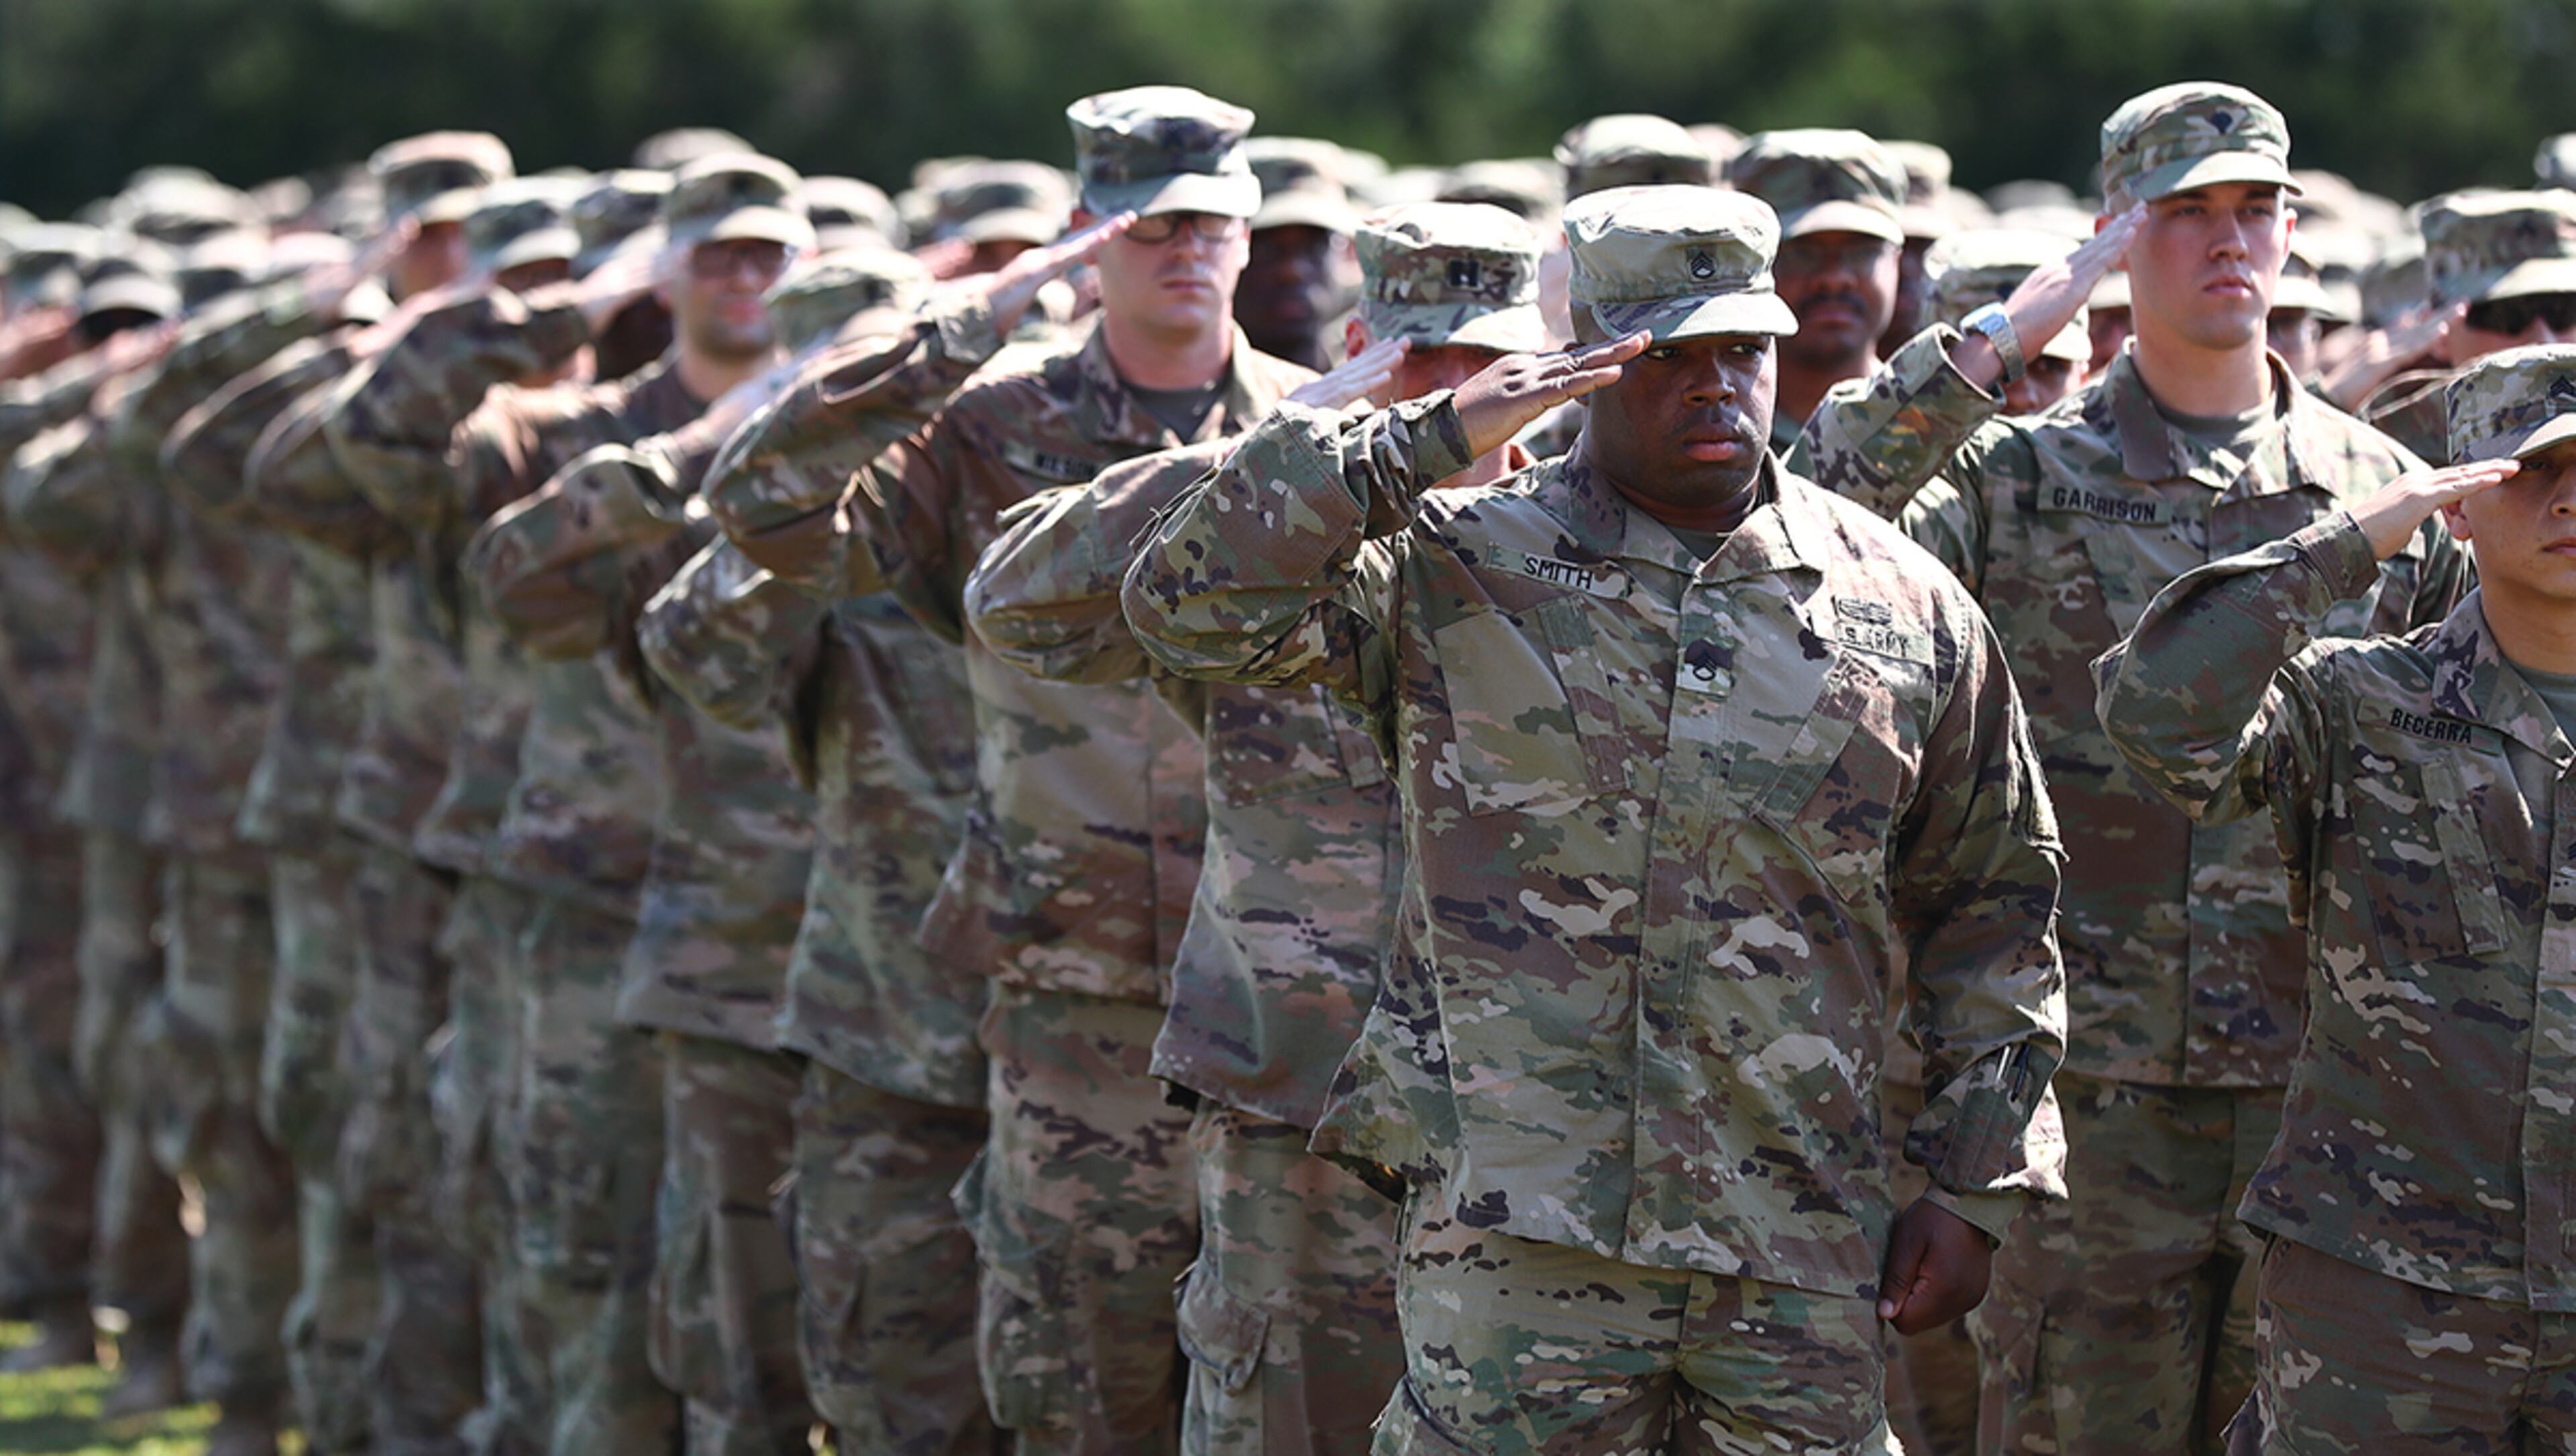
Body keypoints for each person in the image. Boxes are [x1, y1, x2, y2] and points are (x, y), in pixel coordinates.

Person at [1124, 183, 2068, 1455]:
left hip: (1788, 1224)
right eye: (1666, 354)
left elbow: (1996, 898)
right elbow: (1189, 608)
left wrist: (1974, 1178)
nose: (1714, 385)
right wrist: (1419, 439)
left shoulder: (1902, 602)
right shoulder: (1456, 563)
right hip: (1514, 1231)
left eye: (1742, 349)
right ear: (1585, 364)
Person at [1795, 81, 2471, 1455]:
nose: (2230, 242)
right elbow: (1810, 518)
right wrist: (1999, 340)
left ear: (2292, 231)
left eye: (2255, 210)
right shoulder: (2013, 475)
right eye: (2185, 213)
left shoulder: (2384, 494)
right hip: (2080, 1095)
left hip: (2316, 1096)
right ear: (2117, 236)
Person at [710, 84, 1310, 1453]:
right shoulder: (985, 424)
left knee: (1272, 1392)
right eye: (1150, 222)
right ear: (1085, 233)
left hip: (1276, 998)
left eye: (1212, 221)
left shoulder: (1305, 431)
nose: (1186, 249)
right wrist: (954, 330)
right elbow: (768, 509)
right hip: (1064, 994)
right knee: (1071, 1390)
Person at [965, 199, 1548, 1455]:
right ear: (1357, 350)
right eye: (1422, 364)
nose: (1462, 398)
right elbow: (1017, 598)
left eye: (1490, 364)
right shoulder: (1267, 552)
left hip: (1524, 1140)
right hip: (1301, 1124)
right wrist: (1292, 438)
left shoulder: (1582, 558)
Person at [2094, 344, 2575, 1454]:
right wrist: (2352, 540)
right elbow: (2155, 715)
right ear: (2458, 505)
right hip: (2384, 1297)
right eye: (2532, 471)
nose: (2568, 499)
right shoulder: (2362, 700)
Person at [1726, 128, 1911, 450]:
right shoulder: (1717, 434)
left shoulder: (1935, 423)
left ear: (1896, 260)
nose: (1834, 278)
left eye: (1862, 253)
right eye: (1801, 254)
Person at [2355, 191, 2576, 460]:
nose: (2544, 339)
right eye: (2507, 317)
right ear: (2438, 331)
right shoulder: (2383, 455)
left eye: (2566, 311)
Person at [1236, 138, 1361, 370]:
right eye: (1268, 251)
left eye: (1315, 247)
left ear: (1345, 252)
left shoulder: (1382, 388)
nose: (1292, 271)